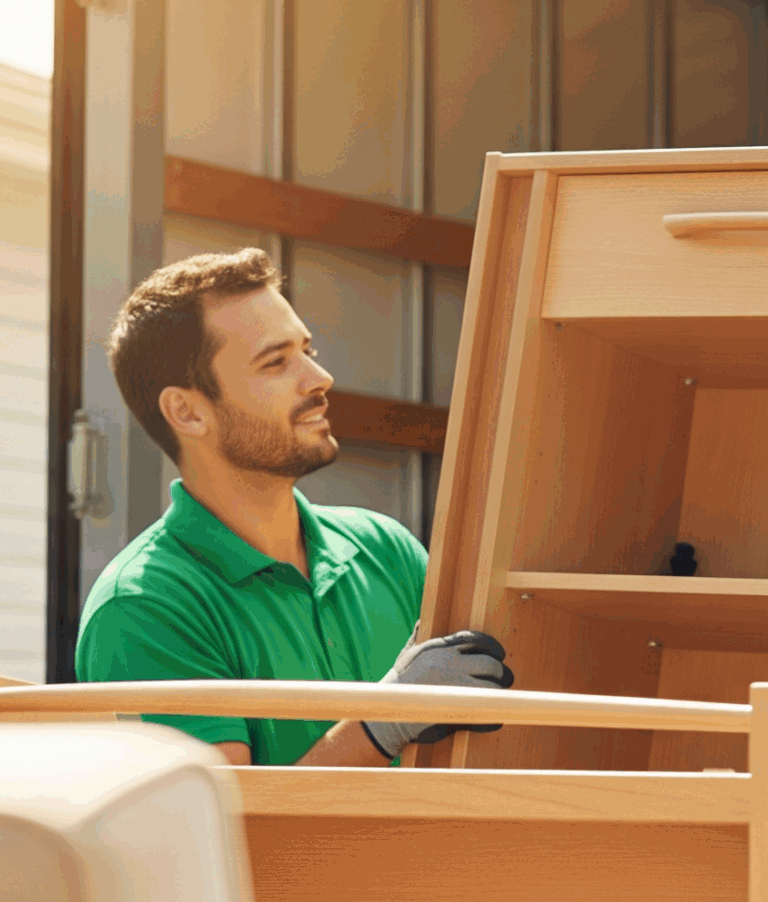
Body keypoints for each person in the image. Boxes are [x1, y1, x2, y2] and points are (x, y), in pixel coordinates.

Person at [76, 248, 510, 766]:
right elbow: (231, 830)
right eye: (276, 362)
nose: (318, 379)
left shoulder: (385, 549)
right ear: (188, 411)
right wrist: (385, 721)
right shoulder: (144, 606)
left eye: (309, 351)